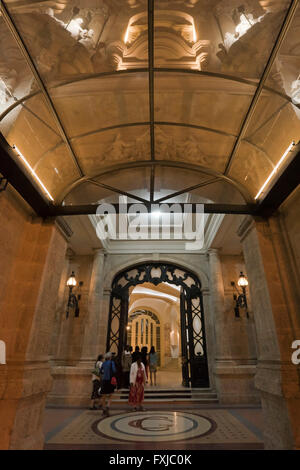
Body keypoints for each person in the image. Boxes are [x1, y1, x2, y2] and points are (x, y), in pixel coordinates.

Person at [100, 352, 117, 416]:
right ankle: (107, 406)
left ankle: (104, 409)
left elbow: (101, 371)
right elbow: (114, 370)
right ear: (110, 357)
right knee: (111, 395)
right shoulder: (111, 363)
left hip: (104, 380)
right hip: (110, 380)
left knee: (103, 396)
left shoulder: (103, 363)